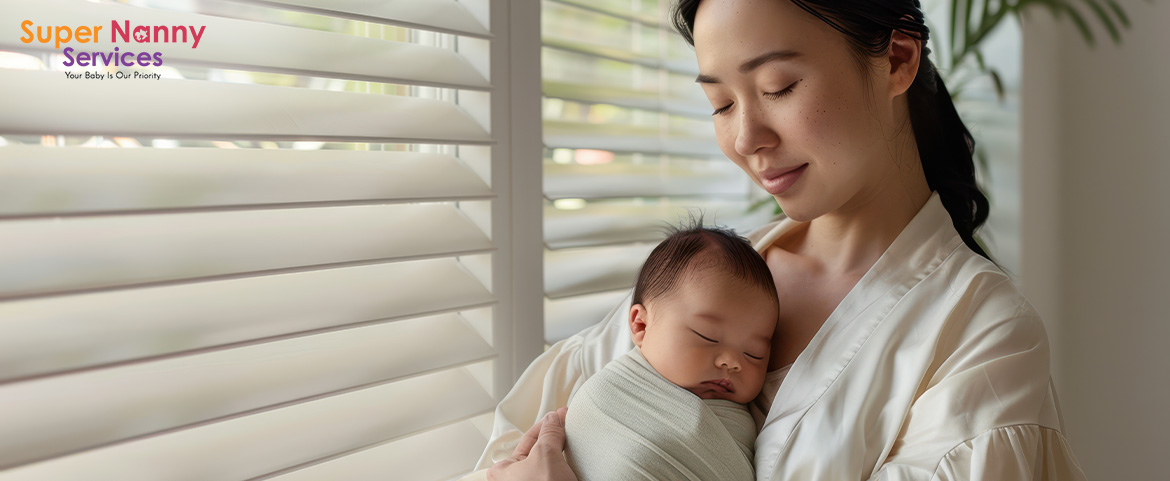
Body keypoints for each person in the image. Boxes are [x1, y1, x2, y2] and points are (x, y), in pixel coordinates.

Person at [470, 0, 1088, 479]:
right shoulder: (707, 274)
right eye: (720, 104)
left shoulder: (982, 333)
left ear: (898, 58)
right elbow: (522, 441)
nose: (746, 138)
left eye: (778, 88)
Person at [564, 223, 777, 480]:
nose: (732, 362)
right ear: (641, 325)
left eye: (754, 353)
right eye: (706, 336)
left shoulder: (743, 423)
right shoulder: (606, 397)